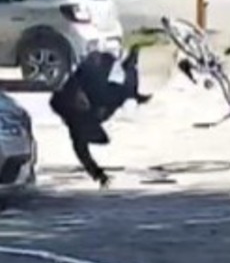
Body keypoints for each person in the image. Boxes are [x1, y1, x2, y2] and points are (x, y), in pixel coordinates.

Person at [49, 45, 152, 188]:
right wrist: (99, 175)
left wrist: (76, 94)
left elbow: (57, 98)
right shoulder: (85, 122)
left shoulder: (69, 99)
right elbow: (83, 153)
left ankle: (127, 65)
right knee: (119, 93)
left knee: (112, 85)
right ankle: (130, 67)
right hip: (100, 96)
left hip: (88, 83)